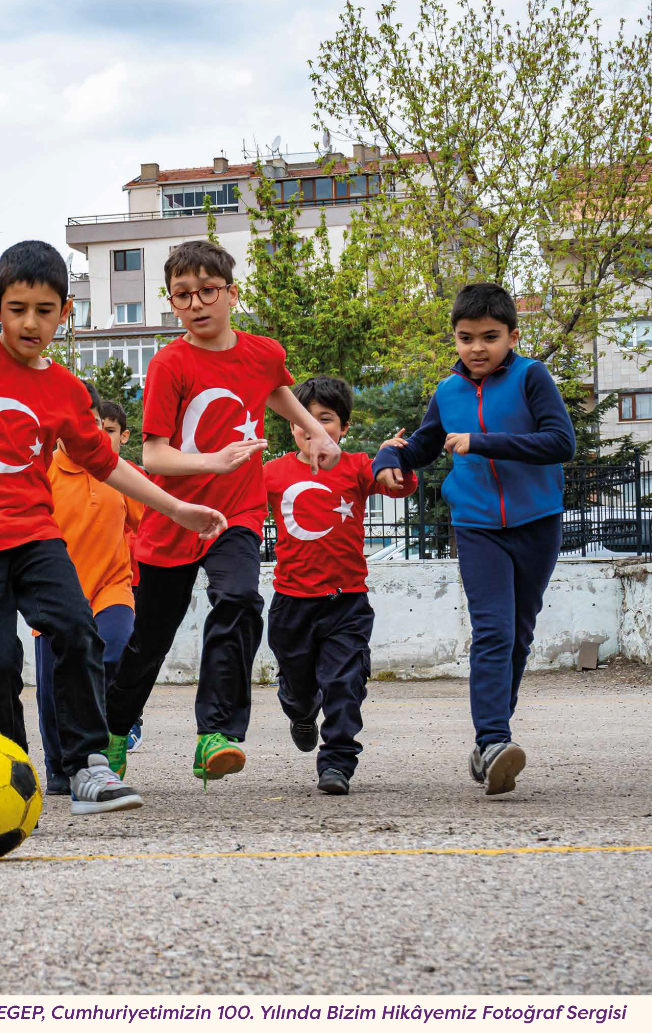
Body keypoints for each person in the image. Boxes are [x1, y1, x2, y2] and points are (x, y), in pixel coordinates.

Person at [0, 239, 227, 816]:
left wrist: (176, 509)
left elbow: (107, 464)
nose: (30, 323)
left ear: (66, 312)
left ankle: (89, 767)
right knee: (0, 660)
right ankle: (10, 767)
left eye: (44, 310)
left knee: (76, 629)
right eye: (16, 309)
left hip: (34, 537)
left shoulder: (64, 390)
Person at [103, 239, 341, 787]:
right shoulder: (169, 364)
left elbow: (276, 388)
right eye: (183, 295)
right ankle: (113, 731)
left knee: (238, 600)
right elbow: (155, 455)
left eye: (208, 291)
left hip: (237, 510)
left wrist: (313, 430)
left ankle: (216, 734)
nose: (197, 303)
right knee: (149, 642)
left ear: (231, 294)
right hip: (176, 515)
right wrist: (215, 459)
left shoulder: (262, 352)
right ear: (172, 302)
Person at [374, 282, 574, 795]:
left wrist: (481, 442)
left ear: (512, 335)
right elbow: (423, 443)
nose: (477, 348)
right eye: (466, 338)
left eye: (490, 337)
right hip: (477, 526)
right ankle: (493, 739)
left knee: (520, 634)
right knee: (493, 631)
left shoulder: (532, 377)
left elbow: (560, 442)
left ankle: (490, 744)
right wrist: (388, 459)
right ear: (455, 339)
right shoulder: (448, 391)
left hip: (537, 522)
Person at [262, 376, 414, 794]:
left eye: (325, 419)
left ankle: (337, 762)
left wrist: (392, 464)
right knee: (296, 686)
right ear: (291, 426)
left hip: (346, 601)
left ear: (343, 427)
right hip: (292, 603)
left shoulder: (358, 466)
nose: (312, 428)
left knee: (346, 682)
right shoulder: (272, 473)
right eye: (303, 420)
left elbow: (397, 483)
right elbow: (237, 505)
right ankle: (301, 711)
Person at [32, 380, 144, 796]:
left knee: (115, 650)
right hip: (58, 595)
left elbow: (147, 523)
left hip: (113, 587)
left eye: (95, 423)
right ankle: (60, 766)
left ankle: (111, 735)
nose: (89, 431)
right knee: (53, 687)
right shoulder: (44, 472)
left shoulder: (119, 471)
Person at [97, 399, 147, 753]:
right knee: (99, 655)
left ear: (124, 436)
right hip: (98, 578)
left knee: (127, 655)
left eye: (110, 431)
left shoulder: (132, 477)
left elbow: (155, 521)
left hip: (136, 579)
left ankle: (130, 718)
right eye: (97, 428)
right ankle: (103, 719)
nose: (102, 436)